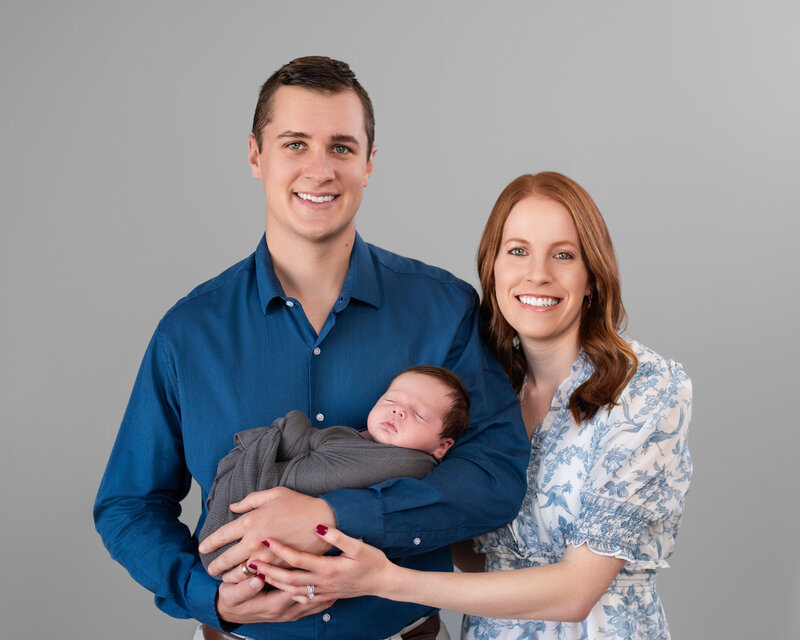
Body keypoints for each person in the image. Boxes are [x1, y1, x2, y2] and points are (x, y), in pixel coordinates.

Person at [93, 56, 530, 640]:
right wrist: (210, 597)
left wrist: (329, 516)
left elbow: (495, 477)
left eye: (342, 148)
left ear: (370, 163)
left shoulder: (445, 309)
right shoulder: (188, 332)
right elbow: (127, 504)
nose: (319, 170)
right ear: (256, 155)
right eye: (295, 144)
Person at [253, 172, 693, 640]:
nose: (537, 273)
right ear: (493, 267)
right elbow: (469, 548)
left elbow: (577, 591)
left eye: (563, 255)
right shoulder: (476, 390)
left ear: (591, 277)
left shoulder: (645, 386)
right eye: (517, 251)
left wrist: (388, 579)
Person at [199, 365, 471, 570]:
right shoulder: (355, 439)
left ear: (442, 447)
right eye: (391, 401)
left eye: (419, 414)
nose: (397, 411)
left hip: (259, 539)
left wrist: (294, 425)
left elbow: (305, 477)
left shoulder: (409, 464)